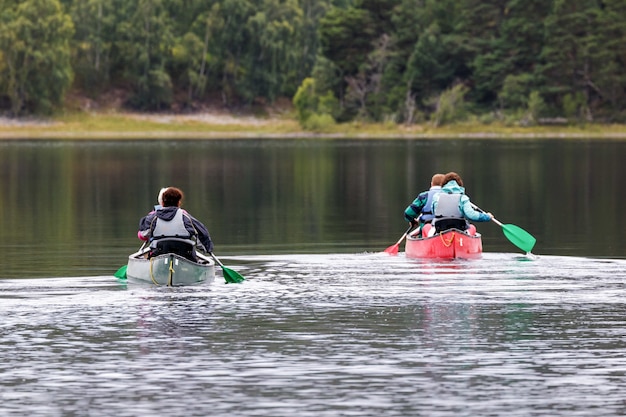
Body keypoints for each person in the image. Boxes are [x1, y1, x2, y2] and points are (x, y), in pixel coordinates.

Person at [138, 187, 213, 261]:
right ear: (178, 202)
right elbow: (203, 236)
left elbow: (143, 235)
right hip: (184, 255)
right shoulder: (186, 218)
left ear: (162, 203)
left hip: (158, 255)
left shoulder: (151, 218)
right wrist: (207, 249)